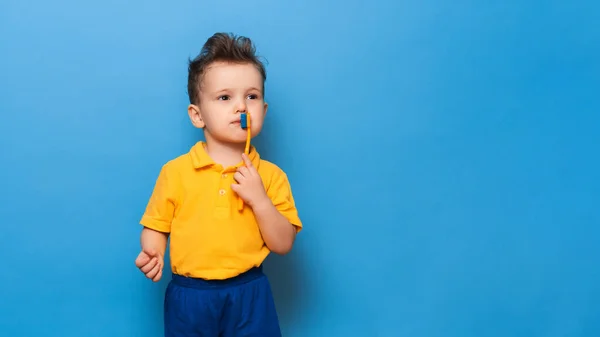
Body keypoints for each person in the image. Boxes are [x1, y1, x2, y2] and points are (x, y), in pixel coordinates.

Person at [134, 32, 303, 337]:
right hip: (190, 297)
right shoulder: (175, 172)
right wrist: (153, 251)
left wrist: (259, 199)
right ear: (197, 115)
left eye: (251, 96)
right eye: (225, 97)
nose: (241, 107)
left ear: (262, 111)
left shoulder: (272, 176)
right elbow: (157, 225)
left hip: (250, 292)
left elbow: (283, 244)